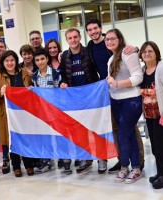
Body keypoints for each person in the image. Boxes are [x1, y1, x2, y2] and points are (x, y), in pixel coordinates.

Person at [85, 18, 145, 173]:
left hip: (126, 92)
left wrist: (136, 48)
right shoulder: (90, 47)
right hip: (108, 92)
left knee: (130, 128)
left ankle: (139, 160)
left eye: (95, 29)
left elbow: (130, 55)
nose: (93, 32)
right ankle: (122, 159)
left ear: (101, 28)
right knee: (116, 128)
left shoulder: (111, 41)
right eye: (90, 30)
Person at [105, 28, 143, 183]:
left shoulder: (129, 53)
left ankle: (124, 167)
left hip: (131, 100)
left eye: (112, 38)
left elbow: (138, 77)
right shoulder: (112, 58)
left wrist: (118, 83)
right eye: (107, 39)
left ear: (120, 39)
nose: (109, 41)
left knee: (122, 135)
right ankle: (135, 168)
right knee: (129, 135)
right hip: (116, 100)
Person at [60, 28, 99, 175]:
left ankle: (101, 158)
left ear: (80, 37)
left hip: (91, 97)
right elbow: (64, 75)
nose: (73, 40)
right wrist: (63, 83)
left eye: (75, 37)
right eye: (70, 38)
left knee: (96, 128)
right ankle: (85, 159)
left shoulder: (89, 51)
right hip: (74, 100)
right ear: (67, 40)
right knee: (80, 131)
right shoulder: (64, 56)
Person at [139, 41, 163, 189]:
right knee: (155, 146)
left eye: (150, 51)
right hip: (150, 115)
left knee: (162, 146)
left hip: (162, 115)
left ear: (156, 53)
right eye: (144, 52)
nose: (147, 54)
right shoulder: (143, 70)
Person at [0, 50, 34, 177]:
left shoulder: (24, 72)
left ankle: (28, 164)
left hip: (24, 112)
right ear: (3, 62)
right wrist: (0, 93)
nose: (10, 63)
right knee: (12, 140)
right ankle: (16, 166)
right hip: (8, 113)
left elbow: (31, 88)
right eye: (7, 61)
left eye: (12, 60)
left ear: (16, 61)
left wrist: (31, 89)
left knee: (25, 138)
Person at [31, 49, 61, 173]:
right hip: (42, 112)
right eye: (37, 60)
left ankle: (64, 159)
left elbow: (59, 92)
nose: (40, 62)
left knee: (58, 135)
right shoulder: (34, 76)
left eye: (42, 59)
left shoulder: (56, 74)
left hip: (55, 110)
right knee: (45, 136)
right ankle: (47, 160)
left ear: (47, 59)